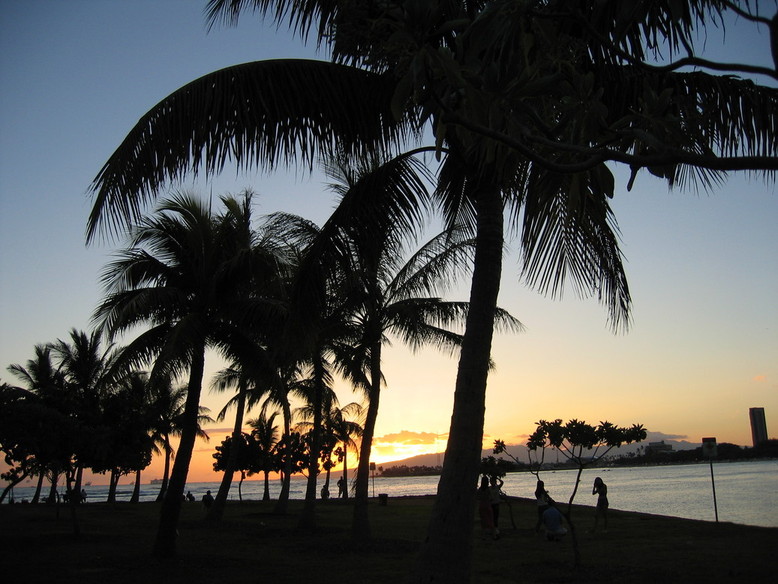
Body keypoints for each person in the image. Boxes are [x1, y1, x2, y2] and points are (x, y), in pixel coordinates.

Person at [477, 476, 498, 540]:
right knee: (491, 520)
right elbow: (491, 497)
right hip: (488, 505)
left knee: (483, 521)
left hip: (481, 505)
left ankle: (484, 536)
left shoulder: (480, 489)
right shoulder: (488, 489)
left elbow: (478, 497)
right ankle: (494, 535)